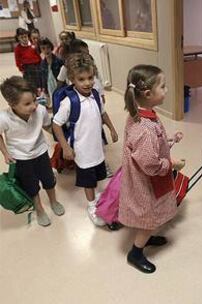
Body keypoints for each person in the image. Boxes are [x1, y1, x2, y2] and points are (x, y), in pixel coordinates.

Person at [119, 64, 185, 273]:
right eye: (163, 87)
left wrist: (169, 140)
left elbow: (151, 146)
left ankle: (147, 235)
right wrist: (172, 164)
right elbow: (150, 164)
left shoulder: (141, 115)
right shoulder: (145, 128)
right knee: (149, 216)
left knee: (152, 215)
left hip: (145, 178)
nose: (166, 90)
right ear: (148, 94)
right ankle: (136, 252)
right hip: (146, 181)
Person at [52, 53, 118, 226]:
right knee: (88, 180)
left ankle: (95, 196)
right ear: (72, 79)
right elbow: (56, 124)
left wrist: (111, 128)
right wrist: (65, 147)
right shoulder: (69, 102)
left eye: (90, 78)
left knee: (97, 175)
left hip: (97, 147)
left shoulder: (95, 95)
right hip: (82, 150)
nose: (87, 82)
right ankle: (91, 205)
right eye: (81, 79)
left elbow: (103, 113)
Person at [0, 76, 64, 226]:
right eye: (27, 104)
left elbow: (48, 126)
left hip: (41, 152)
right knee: (31, 186)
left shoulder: (40, 110)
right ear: (12, 104)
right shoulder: (4, 118)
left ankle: (53, 201)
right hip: (20, 158)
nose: (34, 106)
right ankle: (39, 209)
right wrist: (5, 153)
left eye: (34, 100)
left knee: (49, 180)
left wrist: (62, 138)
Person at [14, 28, 41, 92]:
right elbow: (17, 60)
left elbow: (38, 55)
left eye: (25, 37)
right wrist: (21, 69)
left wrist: (41, 63)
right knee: (31, 84)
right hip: (27, 68)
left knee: (40, 81)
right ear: (18, 38)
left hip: (37, 66)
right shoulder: (17, 49)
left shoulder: (33, 45)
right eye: (21, 37)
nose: (24, 39)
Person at [39, 37, 64, 106]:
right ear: (41, 50)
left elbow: (63, 75)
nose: (46, 50)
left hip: (58, 84)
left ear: (51, 48)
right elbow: (42, 77)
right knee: (54, 101)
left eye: (48, 48)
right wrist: (44, 89)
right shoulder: (42, 64)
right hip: (49, 86)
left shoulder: (58, 61)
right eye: (43, 48)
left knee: (61, 100)